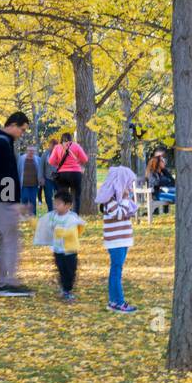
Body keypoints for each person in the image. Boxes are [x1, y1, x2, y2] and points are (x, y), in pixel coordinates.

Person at [0, 111, 34, 297]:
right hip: (2, 201)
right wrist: (13, 202)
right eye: (21, 129)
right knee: (11, 239)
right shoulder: (2, 144)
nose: (22, 133)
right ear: (13, 124)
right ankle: (9, 282)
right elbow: (6, 175)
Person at [96, 164, 139, 313]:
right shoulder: (110, 199)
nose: (129, 187)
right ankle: (118, 302)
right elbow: (120, 214)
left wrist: (127, 202)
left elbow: (129, 211)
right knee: (116, 270)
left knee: (116, 270)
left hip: (123, 239)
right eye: (127, 184)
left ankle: (113, 301)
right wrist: (126, 200)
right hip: (116, 241)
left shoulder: (119, 198)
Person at [33, 187, 84, 302]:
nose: (55, 206)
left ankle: (68, 289)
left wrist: (63, 233)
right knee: (61, 270)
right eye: (55, 204)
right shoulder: (53, 216)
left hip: (70, 251)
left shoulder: (72, 217)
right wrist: (32, 221)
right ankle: (65, 290)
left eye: (58, 204)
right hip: (58, 250)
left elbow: (72, 231)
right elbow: (43, 225)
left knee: (70, 271)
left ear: (68, 205)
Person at [48, 133, 87, 206]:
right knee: (76, 197)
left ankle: (64, 214)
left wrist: (58, 164)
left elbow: (50, 161)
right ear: (71, 139)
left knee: (63, 196)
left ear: (61, 139)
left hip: (62, 174)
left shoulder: (57, 147)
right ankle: (75, 215)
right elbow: (85, 159)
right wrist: (77, 162)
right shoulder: (76, 146)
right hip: (75, 174)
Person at [18, 143, 45, 215]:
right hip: (24, 185)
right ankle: (23, 218)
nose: (31, 152)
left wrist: (41, 179)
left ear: (35, 151)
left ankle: (33, 218)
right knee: (24, 200)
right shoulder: (21, 159)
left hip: (34, 185)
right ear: (27, 151)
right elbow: (18, 170)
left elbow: (40, 170)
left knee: (33, 202)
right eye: (29, 150)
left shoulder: (38, 159)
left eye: (33, 151)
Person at [42, 137, 59, 212]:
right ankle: (50, 210)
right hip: (48, 179)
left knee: (59, 196)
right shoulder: (45, 154)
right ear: (49, 146)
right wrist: (41, 178)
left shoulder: (60, 153)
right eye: (52, 146)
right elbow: (41, 167)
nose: (53, 148)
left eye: (55, 146)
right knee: (48, 196)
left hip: (58, 178)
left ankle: (59, 210)